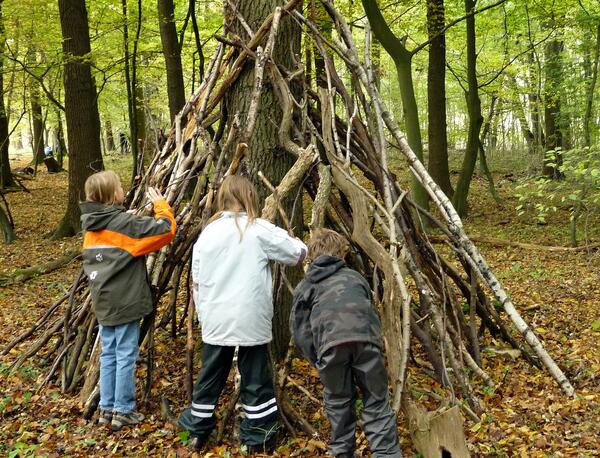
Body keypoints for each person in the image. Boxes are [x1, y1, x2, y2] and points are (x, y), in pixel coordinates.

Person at [178, 175, 307, 452]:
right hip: (250, 317)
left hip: (215, 317)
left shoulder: (207, 233)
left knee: (210, 374)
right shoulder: (258, 229)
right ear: (250, 197)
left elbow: (196, 279)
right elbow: (296, 253)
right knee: (256, 376)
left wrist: (203, 314)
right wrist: (295, 240)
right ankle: (258, 437)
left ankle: (198, 432)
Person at [290, 229, 402, 458]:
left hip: (330, 347)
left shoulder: (306, 286)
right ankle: (387, 454)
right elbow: (369, 310)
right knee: (376, 400)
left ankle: (342, 452)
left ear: (312, 255)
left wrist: (317, 356)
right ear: (342, 253)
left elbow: (299, 329)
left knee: (339, 401)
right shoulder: (355, 277)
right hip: (367, 343)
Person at [80, 171, 176, 431]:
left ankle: (106, 408)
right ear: (112, 195)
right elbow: (165, 231)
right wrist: (161, 206)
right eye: (120, 187)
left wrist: (125, 220)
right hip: (125, 301)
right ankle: (123, 410)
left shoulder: (92, 224)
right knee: (125, 355)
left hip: (104, 302)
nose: (124, 190)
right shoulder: (121, 224)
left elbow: (116, 239)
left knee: (109, 354)